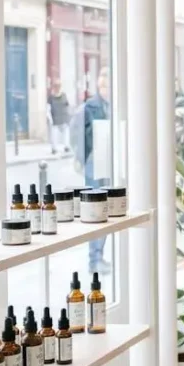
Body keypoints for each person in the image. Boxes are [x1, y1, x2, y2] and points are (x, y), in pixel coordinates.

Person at [79, 69, 111, 273]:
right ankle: (94, 259)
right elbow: (82, 138)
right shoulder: (90, 107)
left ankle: (100, 255)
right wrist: (84, 160)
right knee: (94, 210)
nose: (107, 90)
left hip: (108, 162)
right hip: (94, 163)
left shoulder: (114, 106)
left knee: (106, 209)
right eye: (104, 86)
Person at [47, 81, 72, 154]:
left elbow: (67, 106)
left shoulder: (64, 95)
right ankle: (54, 148)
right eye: (56, 86)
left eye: (58, 86)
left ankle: (66, 146)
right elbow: (48, 108)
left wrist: (69, 116)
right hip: (55, 118)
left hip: (64, 118)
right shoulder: (51, 97)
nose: (57, 88)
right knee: (55, 134)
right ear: (54, 87)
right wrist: (50, 118)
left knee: (65, 133)